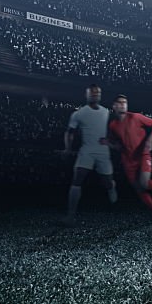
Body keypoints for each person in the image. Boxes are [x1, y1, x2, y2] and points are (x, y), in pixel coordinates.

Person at [63, 83, 116, 225]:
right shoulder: (79, 113)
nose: (95, 95)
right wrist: (68, 148)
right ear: (87, 95)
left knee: (107, 182)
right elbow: (70, 132)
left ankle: (112, 187)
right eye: (92, 93)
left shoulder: (106, 112)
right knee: (77, 179)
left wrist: (109, 141)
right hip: (86, 150)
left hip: (102, 151)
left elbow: (111, 130)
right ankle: (70, 216)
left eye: (97, 93)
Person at [107, 94, 152, 213]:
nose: (123, 104)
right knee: (138, 187)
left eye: (125, 102)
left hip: (142, 153)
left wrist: (149, 140)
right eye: (120, 102)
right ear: (114, 106)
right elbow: (118, 145)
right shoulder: (113, 125)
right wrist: (109, 144)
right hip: (128, 158)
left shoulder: (135, 117)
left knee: (144, 183)